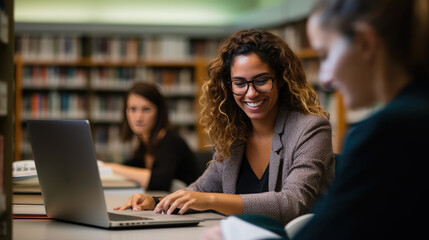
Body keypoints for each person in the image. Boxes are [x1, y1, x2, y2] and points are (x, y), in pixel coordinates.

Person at [207, 0, 429, 239]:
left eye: (326, 55)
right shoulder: (413, 116)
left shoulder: (387, 131)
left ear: (365, 43)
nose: (326, 78)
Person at [115, 29, 335, 225]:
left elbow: (293, 203)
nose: (250, 93)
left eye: (261, 80)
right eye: (240, 83)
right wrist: (156, 201)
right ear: (228, 86)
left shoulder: (310, 128)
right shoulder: (233, 132)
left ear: (281, 80)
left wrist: (209, 200)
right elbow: (200, 191)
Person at [102, 82, 199, 191]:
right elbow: (134, 167)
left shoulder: (171, 141)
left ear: (159, 112)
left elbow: (160, 182)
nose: (138, 117)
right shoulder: (144, 141)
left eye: (146, 109)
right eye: (133, 109)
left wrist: (111, 168)